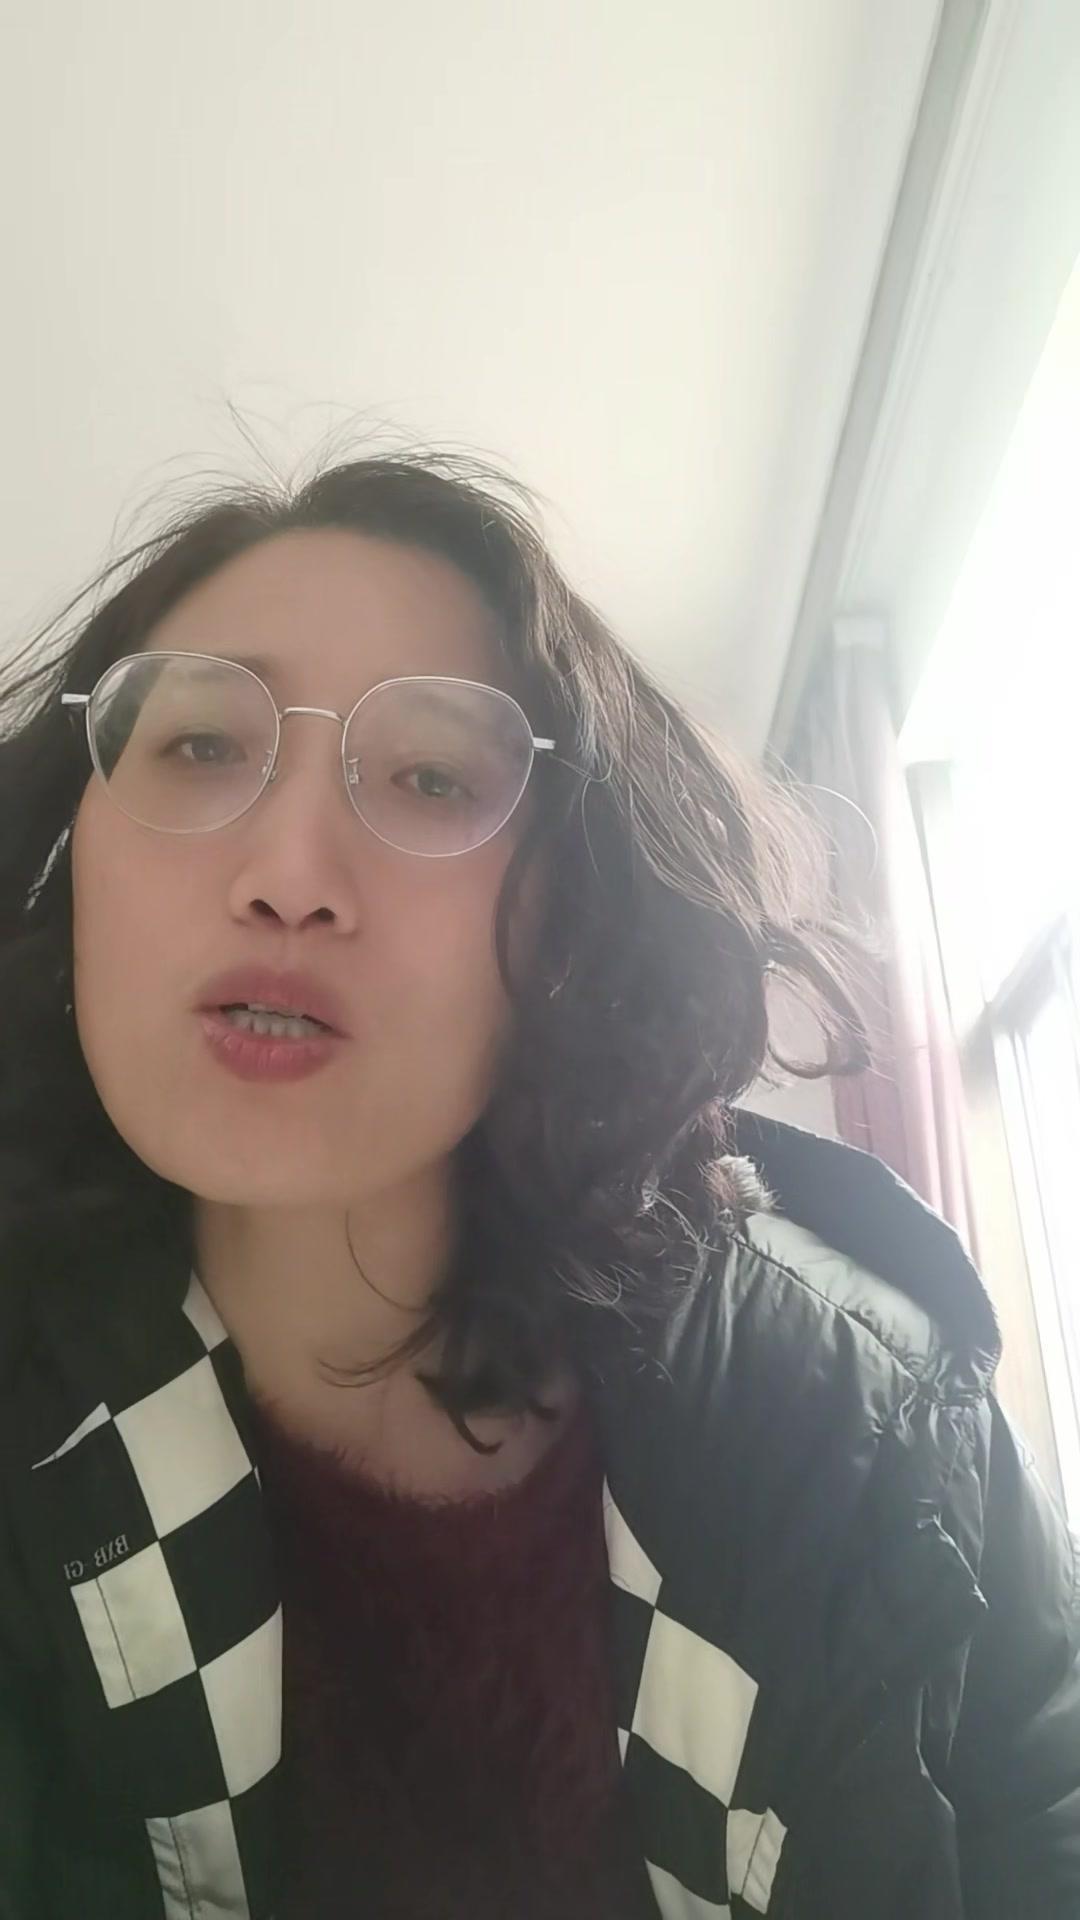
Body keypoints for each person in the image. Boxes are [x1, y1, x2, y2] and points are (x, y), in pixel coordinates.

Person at [0, 449, 1076, 1920]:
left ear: (571, 922)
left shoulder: (874, 1431)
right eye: (197, 744)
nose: (288, 872)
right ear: (71, 858)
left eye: (433, 776)